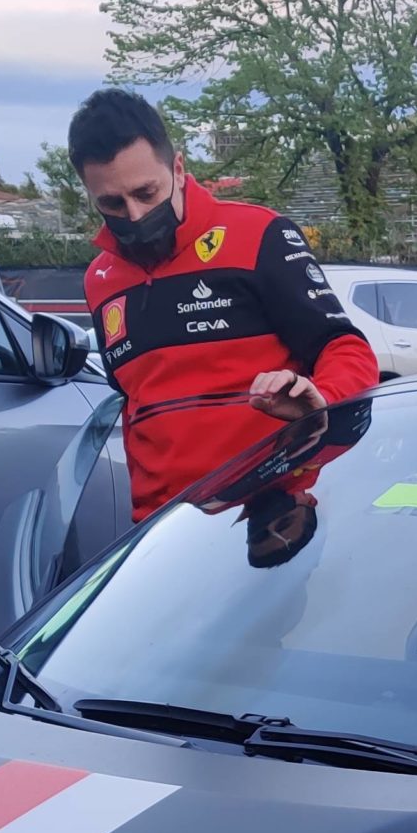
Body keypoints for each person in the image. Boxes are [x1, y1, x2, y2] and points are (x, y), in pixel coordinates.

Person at [74, 87, 378, 522]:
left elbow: (346, 349)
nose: (135, 215)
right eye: (112, 203)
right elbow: (136, 402)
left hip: (272, 519)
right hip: (162, 532)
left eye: (146, 192)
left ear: (178, 169)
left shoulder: (258, 236)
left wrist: (323, 399)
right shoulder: (99, 281)